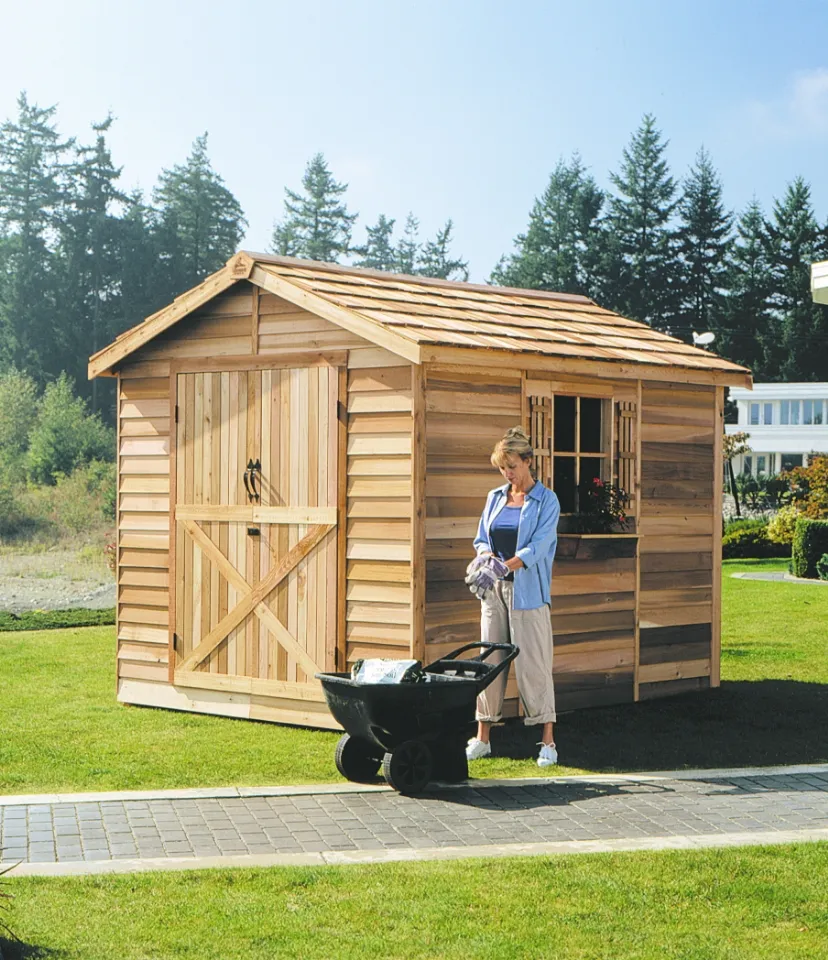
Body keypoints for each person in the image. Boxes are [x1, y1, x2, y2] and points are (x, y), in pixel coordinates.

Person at [466, 426, 560, 768]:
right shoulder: (494, 497)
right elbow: (481, 538)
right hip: (493, 592)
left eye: (512, 466)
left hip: (528, 592)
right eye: (503, 467)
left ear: (528, 462)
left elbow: (537, 547)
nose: (508, 473)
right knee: (488, 660)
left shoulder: (547, 501)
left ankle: (547, 741)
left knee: (534, 664)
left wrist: (504, 567)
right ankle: (482, 738)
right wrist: (484, 560)